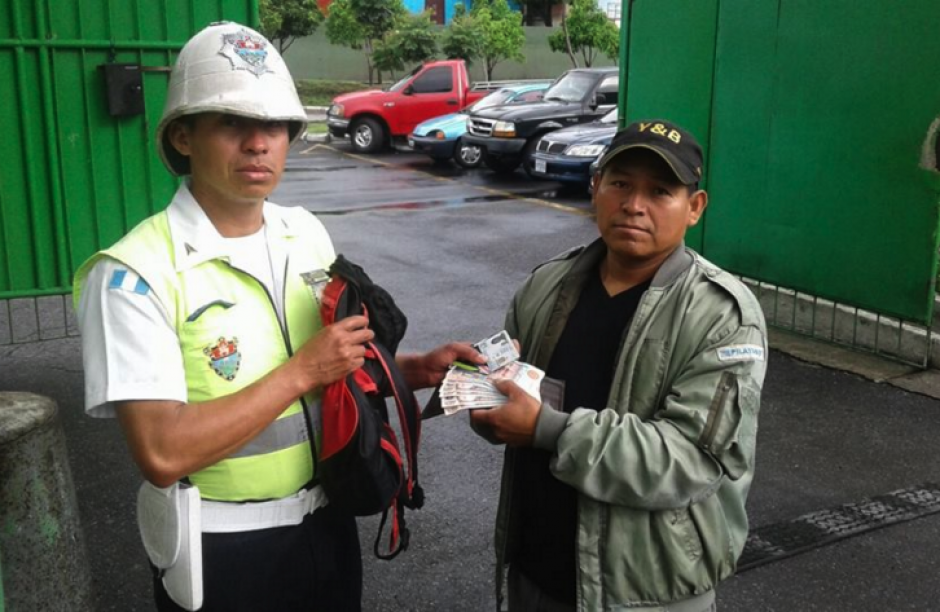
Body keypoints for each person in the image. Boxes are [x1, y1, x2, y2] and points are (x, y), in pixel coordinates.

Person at [73, 21, 482, 612]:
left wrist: (413, 369)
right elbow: (161, 452)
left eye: (274, 125)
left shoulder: (304, 233)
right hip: (223, 552)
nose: (258, 143)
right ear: (183, 137)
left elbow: (333, 373)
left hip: (328, 526)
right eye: (232, 123)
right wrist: (302, 372)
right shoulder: (134, 274)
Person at [471, 120, 767, 612]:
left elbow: (690, 460)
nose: (634, 205)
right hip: (535, 571)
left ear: (694, 208)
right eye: (621, 184)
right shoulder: (546, 285)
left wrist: (547, 429)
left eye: (660, 191)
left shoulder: (721, 316)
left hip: (646, 589)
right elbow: (512, 391)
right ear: (596, 189)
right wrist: (485, 400)